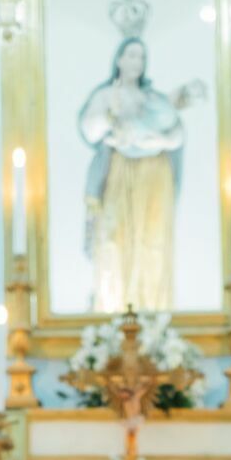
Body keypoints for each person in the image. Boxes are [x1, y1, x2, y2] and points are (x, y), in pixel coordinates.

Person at [78, 37, 203, 313]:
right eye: (131, 55)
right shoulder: (106, 96)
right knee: (115, 241)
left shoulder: (154, 99)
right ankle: (113, 318)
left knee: (152, 243)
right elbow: (90, 128)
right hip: (120, 174)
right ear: (119, 59)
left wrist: (151, 141)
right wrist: (112, 120)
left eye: (141, 57)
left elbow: (176, 133)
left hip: (154, 176)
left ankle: (154, 315)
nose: (136, 62)